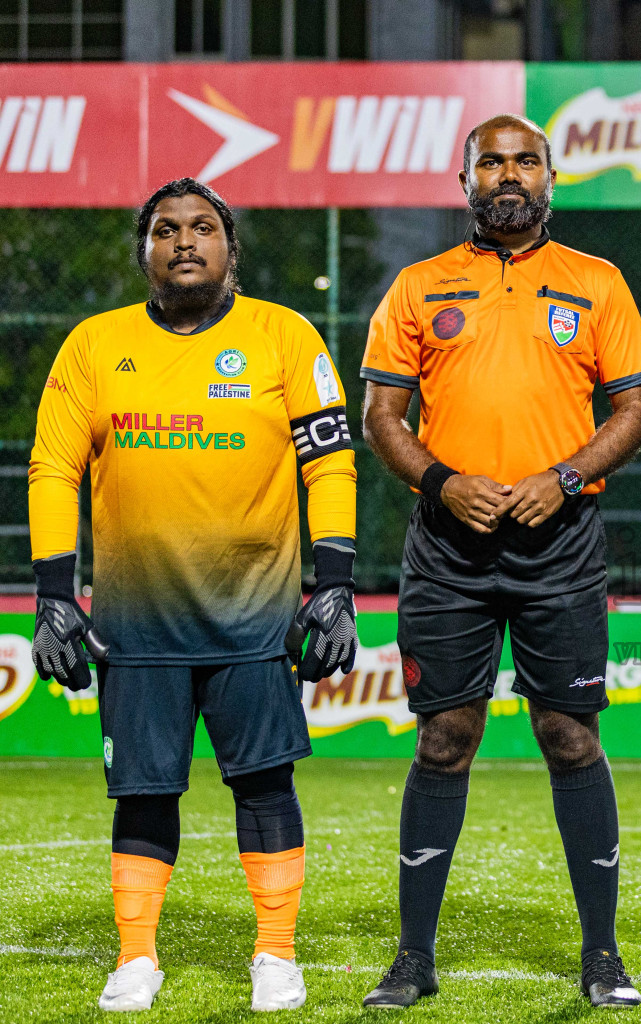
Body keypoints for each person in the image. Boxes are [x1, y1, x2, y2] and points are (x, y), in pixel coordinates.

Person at [29, 177, 358, 1013]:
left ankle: (275, 956)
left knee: (266, 786)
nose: (184, 241)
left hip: (256, 616)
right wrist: (53, 597)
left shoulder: (285, 336)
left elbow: (330, 463)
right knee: (142, 791)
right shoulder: (94, 346)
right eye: (165, 229)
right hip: (137, 627)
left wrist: (338, 586)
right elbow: (52, 471)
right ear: (143, 250)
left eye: (202, 227)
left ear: (229, 249)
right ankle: (137, 959)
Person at [358, 114, 641, 1009]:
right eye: (492, 162)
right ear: (467, 181)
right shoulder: (417, 286)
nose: (509, 175)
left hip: (559, 546)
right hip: (448, 546)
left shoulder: (597, 283)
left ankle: (602, 957)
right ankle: (414, 958)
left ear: (551, 179)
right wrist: (443, 481)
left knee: (570, 737)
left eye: (526, 161)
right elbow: (382, 418)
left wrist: (565, 478)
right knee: (446, 739)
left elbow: (637, 413)